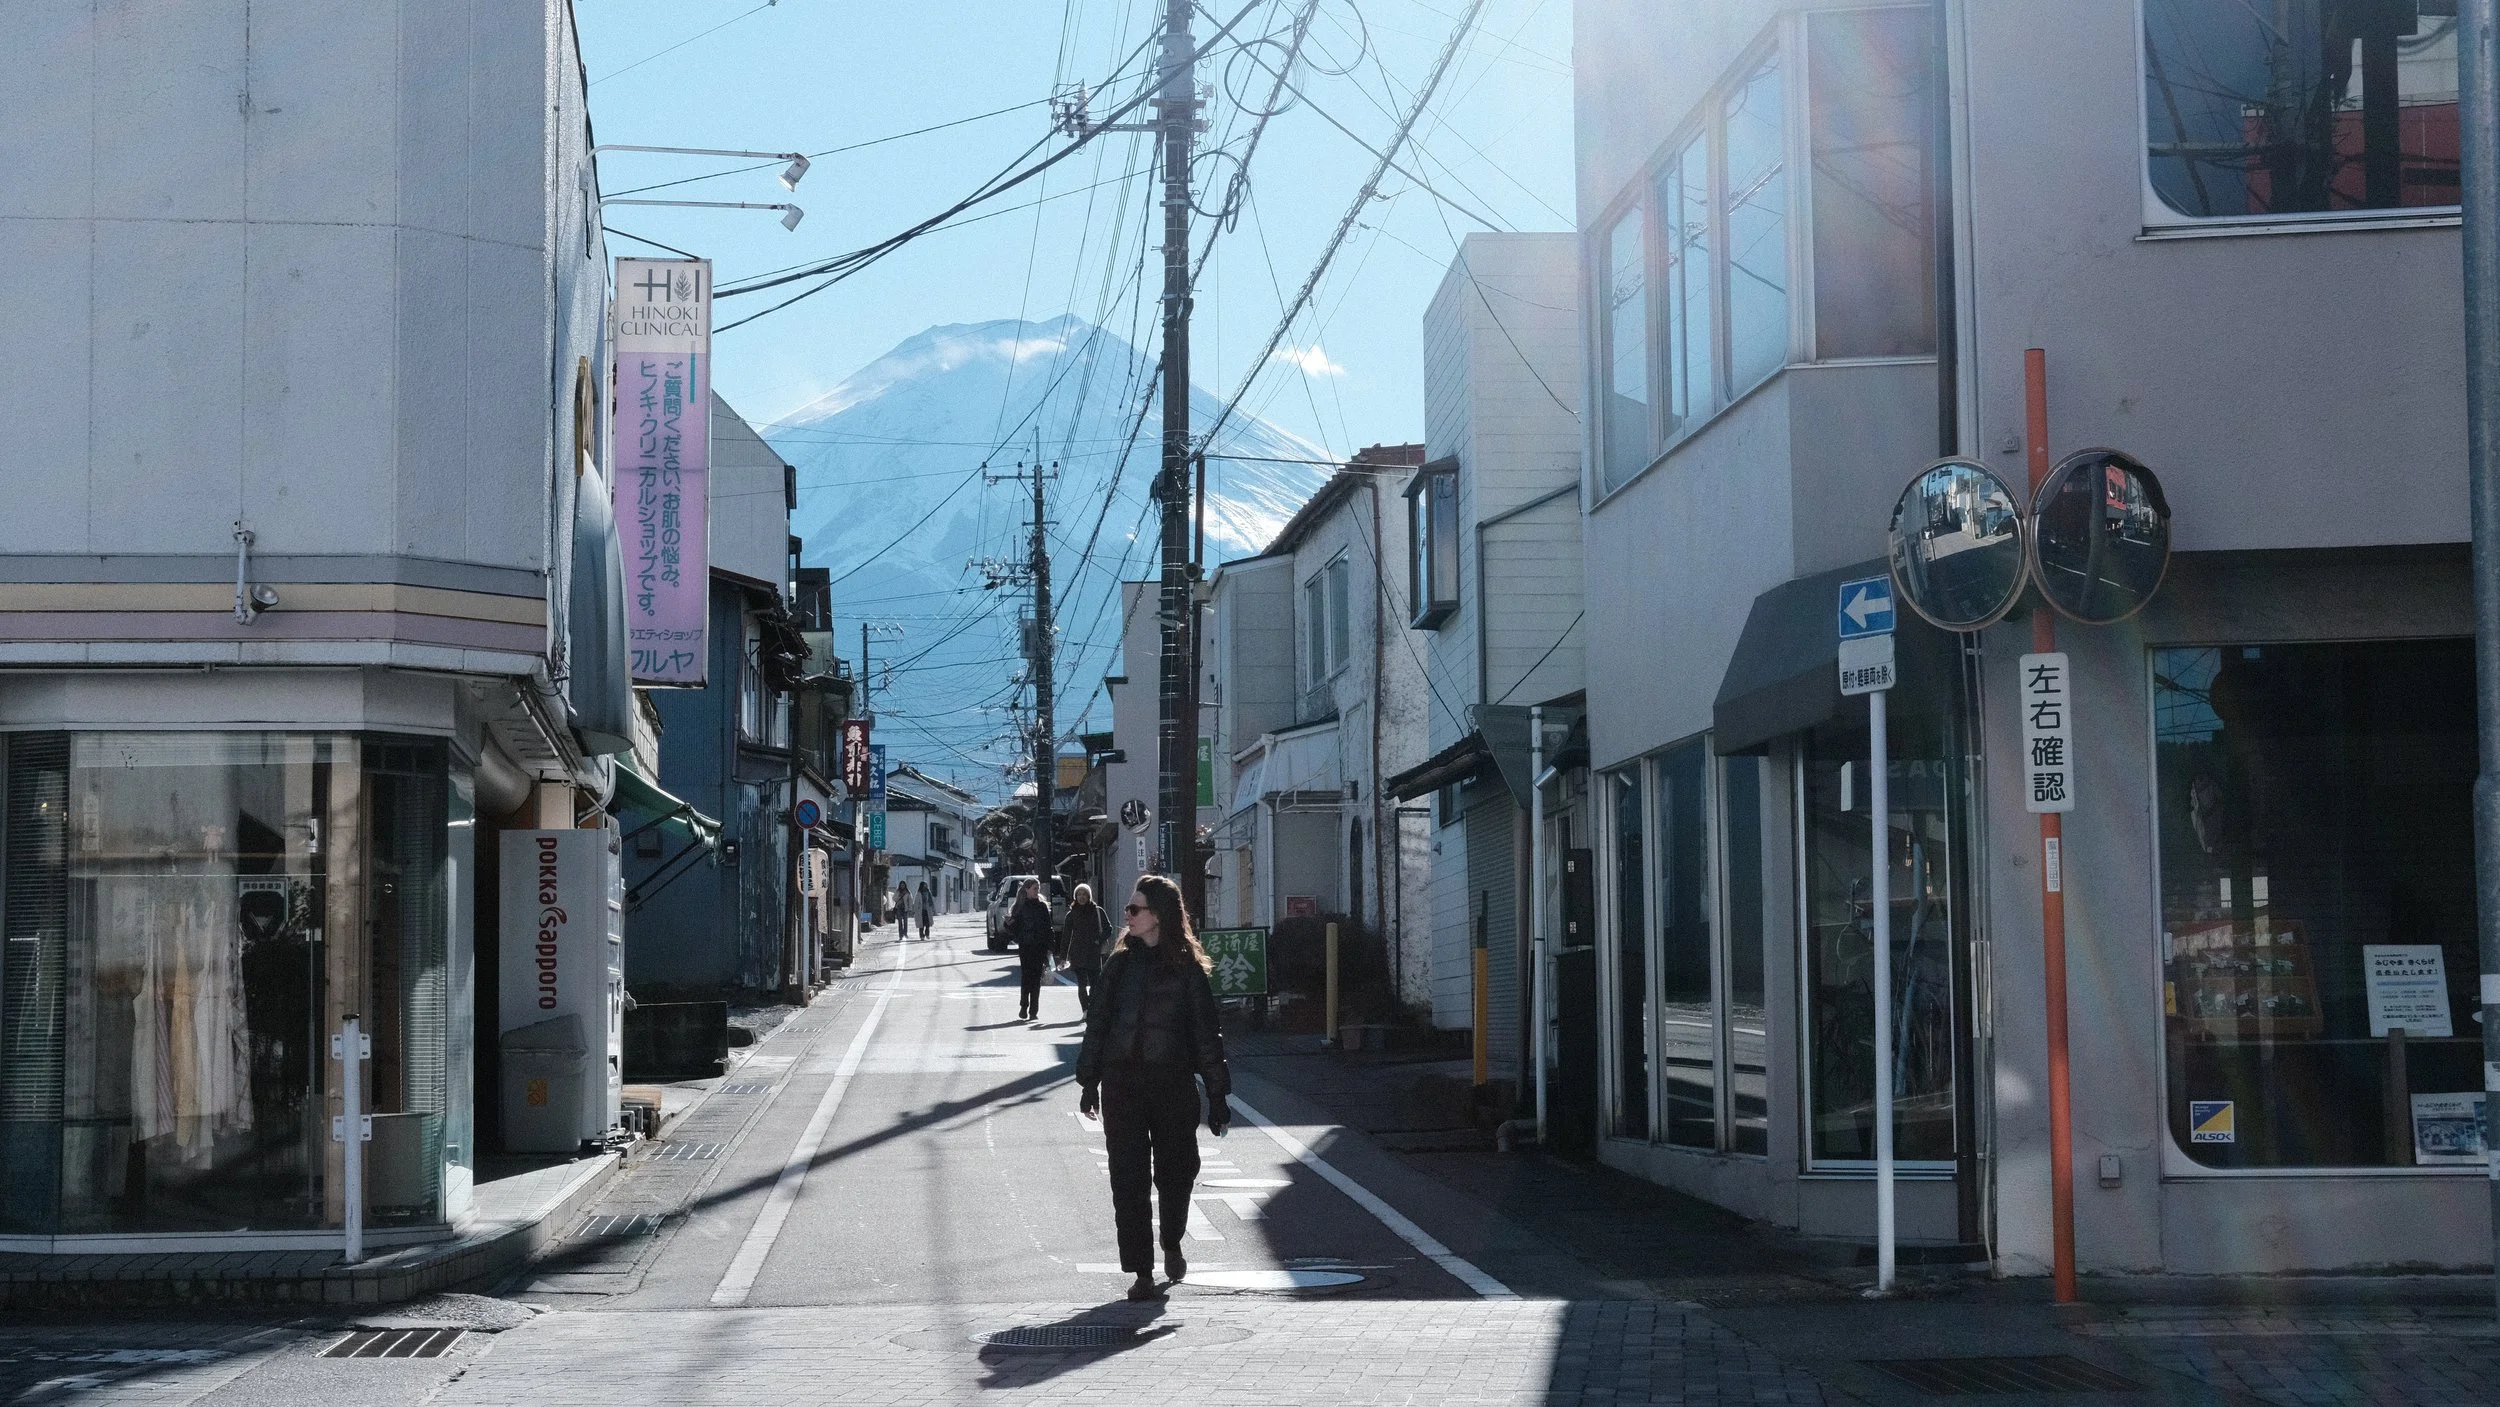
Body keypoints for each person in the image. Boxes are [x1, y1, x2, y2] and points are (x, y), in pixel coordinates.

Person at [1075, 874, 1231, 1301]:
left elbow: (1206, 1036)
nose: (1127, 916)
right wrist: (1089, 1082)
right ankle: (1142, 1271)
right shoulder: (1118, 966)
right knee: (1128, 1181)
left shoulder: (1187, 971)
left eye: (1134, 909)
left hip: (1172, 1086)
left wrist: (1217, 1095)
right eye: (1128, 909)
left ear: (1157, 915)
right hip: (1122, 1085)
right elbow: (1098, 1026)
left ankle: (1172, 1241)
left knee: (1177, 1174)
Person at [1058, 882, 1112, 1012]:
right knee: (1082, 984)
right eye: (1079, 894)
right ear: (1075, 896)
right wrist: (1063, 957)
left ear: (1089, 896)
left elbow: (1108, 928)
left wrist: (1098, 940)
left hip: (1093, 952)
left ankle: (1091, 1007)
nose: (1081, 897)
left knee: (1095, 984)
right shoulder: (1071, 914)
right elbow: (1066, 937)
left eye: (1084, 894)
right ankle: (1085, 1010)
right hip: (1077, 953)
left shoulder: (1097, 911)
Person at [1008, 879, 1057, 1020]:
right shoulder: (1020, 906)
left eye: (1038, 888)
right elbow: (1014, 929)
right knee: (1026, 977)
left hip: (1040, 946)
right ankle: (1024, 1006)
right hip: (1026, 946)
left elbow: (1048, 927)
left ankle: (1033, 1011)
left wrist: (1050, 946)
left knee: (1036, 978)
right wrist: (1008, 924)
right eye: (1035, 888)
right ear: (1027, 889)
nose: (1037, 891)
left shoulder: (1042, 906)